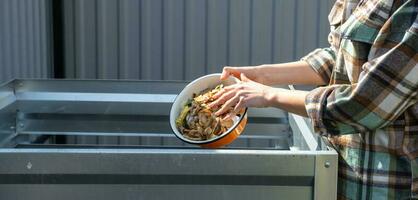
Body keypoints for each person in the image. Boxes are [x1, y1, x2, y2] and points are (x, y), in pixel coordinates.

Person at [209, 0, 418, 199]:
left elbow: (363, 105)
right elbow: (340, 58)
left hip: (386, 187)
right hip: (342, 174)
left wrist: (267, 95)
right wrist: (262, 75)